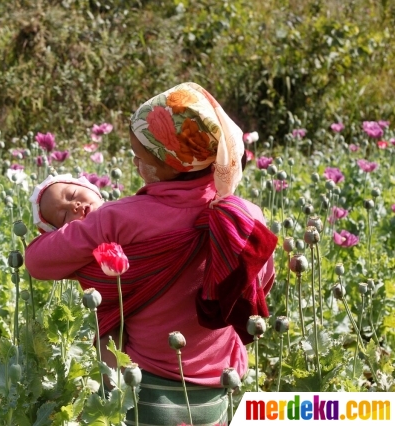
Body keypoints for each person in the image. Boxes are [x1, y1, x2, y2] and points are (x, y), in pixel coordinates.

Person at [25, 82, 277, 426]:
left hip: (145, 390)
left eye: (140, 158)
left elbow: (37, 262)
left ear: (167, 165)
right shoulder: (248, 218)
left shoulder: (117, 218)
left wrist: (65, 228)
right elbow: (257, 286)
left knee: (104, 334)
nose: (135, 164)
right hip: (221, 388)